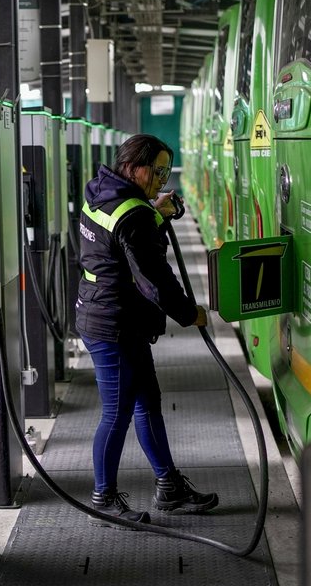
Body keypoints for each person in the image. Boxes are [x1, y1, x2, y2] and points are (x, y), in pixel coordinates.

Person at [74, 133, 219, 527]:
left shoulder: (101, 190)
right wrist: (191, 315)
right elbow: (154, 278)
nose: (161, 178)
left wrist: (156, 211)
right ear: (134, 167)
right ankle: (102, 498)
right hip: (113, 324)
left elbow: (123, 238)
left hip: (112, 316)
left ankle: (168, 487)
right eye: (156, 171)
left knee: (147, 401)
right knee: (117, 411)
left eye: (165, 171)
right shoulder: (135, 214)